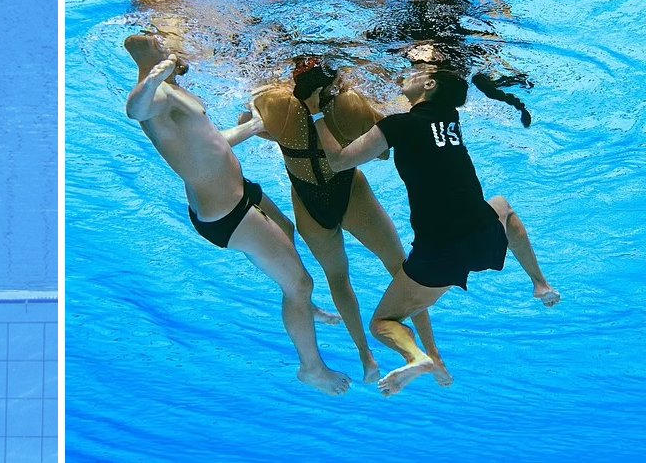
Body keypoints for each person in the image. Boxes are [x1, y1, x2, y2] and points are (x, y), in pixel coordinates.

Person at [302, 54, 560, 396]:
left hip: (438, 254)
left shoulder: (398, 126)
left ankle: (417, 357)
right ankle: (540, 284)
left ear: (429, 84)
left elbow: (337, 161)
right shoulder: (450, 123)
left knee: (382, 324)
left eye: (416, 73)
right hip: (481, 236)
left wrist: (317, 112)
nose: (407, 76)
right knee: (503, 208)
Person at [124, 33, 351, 396]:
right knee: (299, 283)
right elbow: (134, 110)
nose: (170, 44)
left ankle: (304, 307)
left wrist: (255, 126)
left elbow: (211, 141)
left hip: (239, 193)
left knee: (287, 229)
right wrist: (152, 76)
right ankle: (311, 368)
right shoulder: (156, 95)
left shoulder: (171, 89)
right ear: (150, 54)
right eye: (161, 43)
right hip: (228, 214)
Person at [250, 56, 448, 385]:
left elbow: (252, 125)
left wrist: (284, 136)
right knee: (401, 266)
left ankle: (365, 356)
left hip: (309, 202)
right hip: (351, 192)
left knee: (338, 278)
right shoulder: (349, 105)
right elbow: (384, 151)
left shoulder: (276, 105)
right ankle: (431, 352)